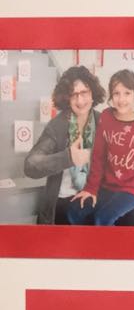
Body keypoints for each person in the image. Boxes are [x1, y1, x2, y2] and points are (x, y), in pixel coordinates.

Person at [69, 69, 134, 226]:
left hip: (133, 189)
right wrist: (91, 188)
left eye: (127, 93)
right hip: (108, 186)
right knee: (74, 212)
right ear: (111, 96)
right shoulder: (106, 117)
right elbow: (98, 157)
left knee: (103, 218)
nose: (121, 99)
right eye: (116, 93)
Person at [23, 66, 105, 225]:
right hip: (64, 202)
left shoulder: (103, 121)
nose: (80, 101)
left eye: (84, 93)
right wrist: (68, 158)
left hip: (95, 198)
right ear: (67, 98)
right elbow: (30, 165)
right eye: (74, 95)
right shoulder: (58, 126)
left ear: (93, 94)